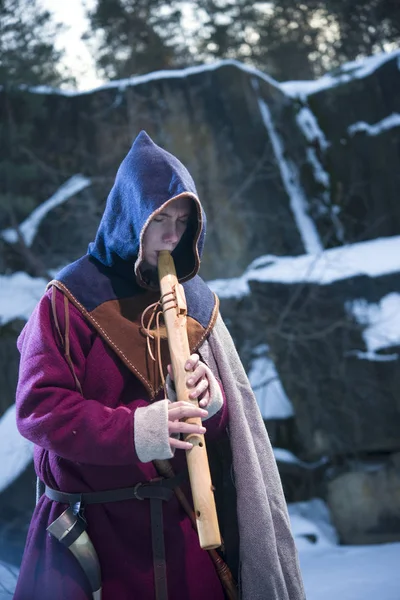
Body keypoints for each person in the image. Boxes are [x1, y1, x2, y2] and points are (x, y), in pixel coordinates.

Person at [14, 131, 305, 600]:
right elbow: (38, 410)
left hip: (183, 530)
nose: (173, 235)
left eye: (183, 221)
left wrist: (210, 403)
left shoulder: (195, 300)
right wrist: (137, 430)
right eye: (161, 220)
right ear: (130, 217)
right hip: (96, 541)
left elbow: (225, 436)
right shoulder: (67, 301)